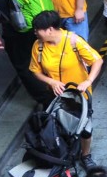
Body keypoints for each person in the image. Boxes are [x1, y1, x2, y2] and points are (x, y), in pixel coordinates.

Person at [29, 11, 102, 166]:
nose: (35, 32)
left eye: (37, 29)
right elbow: (35, 70)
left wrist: (88, 81)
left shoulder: (74, 41)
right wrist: (51, 82)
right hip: (55, 97)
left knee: (85, 129)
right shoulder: (38, 46)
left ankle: (85, 155)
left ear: (50, 30)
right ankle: (65, 153)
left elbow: (97, 60)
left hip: (79, 96)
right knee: (58, 128)